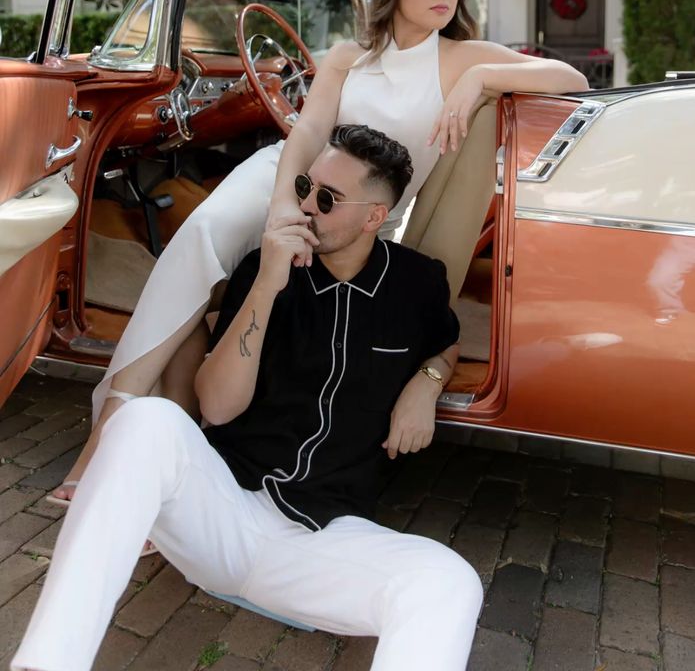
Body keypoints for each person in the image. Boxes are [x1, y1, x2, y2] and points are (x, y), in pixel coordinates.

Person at [50, 0, 588, 503]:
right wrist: (284, 200)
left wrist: (481, 80)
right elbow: (306, 132)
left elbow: (571, 80)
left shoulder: (461, 59)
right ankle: (110, 427)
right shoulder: (347, 57)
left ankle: (176, 428)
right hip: (287, 175)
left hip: (352, 211)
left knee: (231, 275)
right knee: (200, 240)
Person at [14, 126, 483, 671]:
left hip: (320, 540)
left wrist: (424, 385)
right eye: (306, 187)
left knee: (449, 580)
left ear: (374, 217)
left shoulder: (416, 283)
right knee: (145, 422)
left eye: (326, 200)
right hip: (222, 512)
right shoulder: (265, 267)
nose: (305, 206)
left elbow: (445, 345)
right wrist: (267, 283)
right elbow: (215, 407)